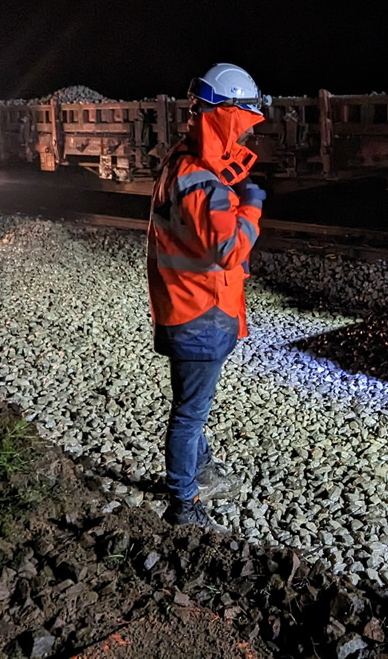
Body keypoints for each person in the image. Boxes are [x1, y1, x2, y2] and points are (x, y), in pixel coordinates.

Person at [147, 63, 267, 529]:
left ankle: (201, 470)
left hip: (187, 304)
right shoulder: (200, 178)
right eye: (245, 119)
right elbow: (229, 248)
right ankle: (184, 504)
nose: (250, 129)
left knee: (190, 404)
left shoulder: (181, 160)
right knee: (190, 414)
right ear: (227, 115)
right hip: (199, 312)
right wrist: (252, 207)